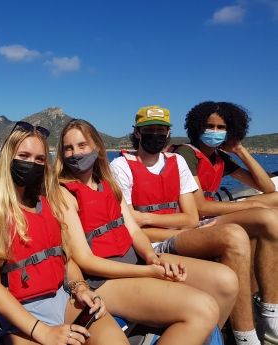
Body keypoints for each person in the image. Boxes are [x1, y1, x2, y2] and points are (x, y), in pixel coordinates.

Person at [55, 118, 230, 345]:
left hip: (137, 261)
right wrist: (149, 272)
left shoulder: (108, 184)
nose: (75, 153)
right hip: (103, 281)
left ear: (97, 147)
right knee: (203, 308)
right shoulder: (64, 194)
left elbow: (135, 232)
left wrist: (152, 257)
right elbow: (85, 260)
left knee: (225, 282)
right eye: (68, 148)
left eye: (82, 145)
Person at [110, 105, 270, 345]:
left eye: (160, 130)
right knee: (233, 236)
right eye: (148, 130)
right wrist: (171, 225)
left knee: (245, 236)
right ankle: (245, 337)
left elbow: (191, 217)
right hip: (151, 244)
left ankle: (230, 333)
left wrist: (145, 218)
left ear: (168, 134)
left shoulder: (176, 162)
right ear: (137, 133)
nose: (155, 135)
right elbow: (132, 227)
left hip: (180, 234)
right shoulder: (121, 167)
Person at [0, 121, 128, 345]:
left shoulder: (50, 202)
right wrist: (43, 332)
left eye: (39, 159)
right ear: (7, 157)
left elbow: (66, 260)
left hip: (64, 301)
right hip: (23, 315)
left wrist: (81, 289)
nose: (31, 164)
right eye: (23, 155)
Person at [172, 101, 278, 344]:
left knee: (273, 203)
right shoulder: (187, 154)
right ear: (197, 126)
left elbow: (266, 186)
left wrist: (240, 150)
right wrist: (251, 206)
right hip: (198, 220)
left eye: (222, 127)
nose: (215, 131)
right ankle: (267, 318)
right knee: (265, 216)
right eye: (210, 126)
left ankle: (269, 307)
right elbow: (199, 206)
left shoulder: (219, 158)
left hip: (212, 215)